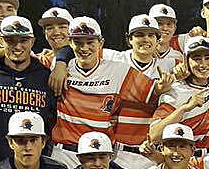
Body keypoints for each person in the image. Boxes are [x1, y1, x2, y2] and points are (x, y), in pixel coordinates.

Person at [48, 16, 157, 150]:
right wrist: (60, 63)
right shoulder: (59, 67)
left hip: (101, 152)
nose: (84, 48)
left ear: (101, 43)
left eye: (90, 42)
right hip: (65, 151)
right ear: (70, 43)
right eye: (78, 42)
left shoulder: (117, 70)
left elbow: (152, 92)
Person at [0, 16, 57, 169]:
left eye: (24, 40)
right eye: (11, 40)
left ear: (32, 41)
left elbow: (52, 122)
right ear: (1, 41)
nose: (18, 46)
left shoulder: (47, 77)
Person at [110, 14, 176, 169]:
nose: (145, 39)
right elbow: (78, 48)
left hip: (149, 153)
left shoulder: (169, 65)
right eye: (139, 34)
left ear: (157, 39)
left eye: (150, 35)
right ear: (129, 39)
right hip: (118, 152)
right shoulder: (115, 60)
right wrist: (61, 62)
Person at [150, 37, 209, 155]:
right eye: (197, 59)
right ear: (186, 61)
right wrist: (184, 108)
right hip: (183, 158)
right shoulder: (176, 90)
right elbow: (154, 135)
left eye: (208, 58)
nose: (203, 64)